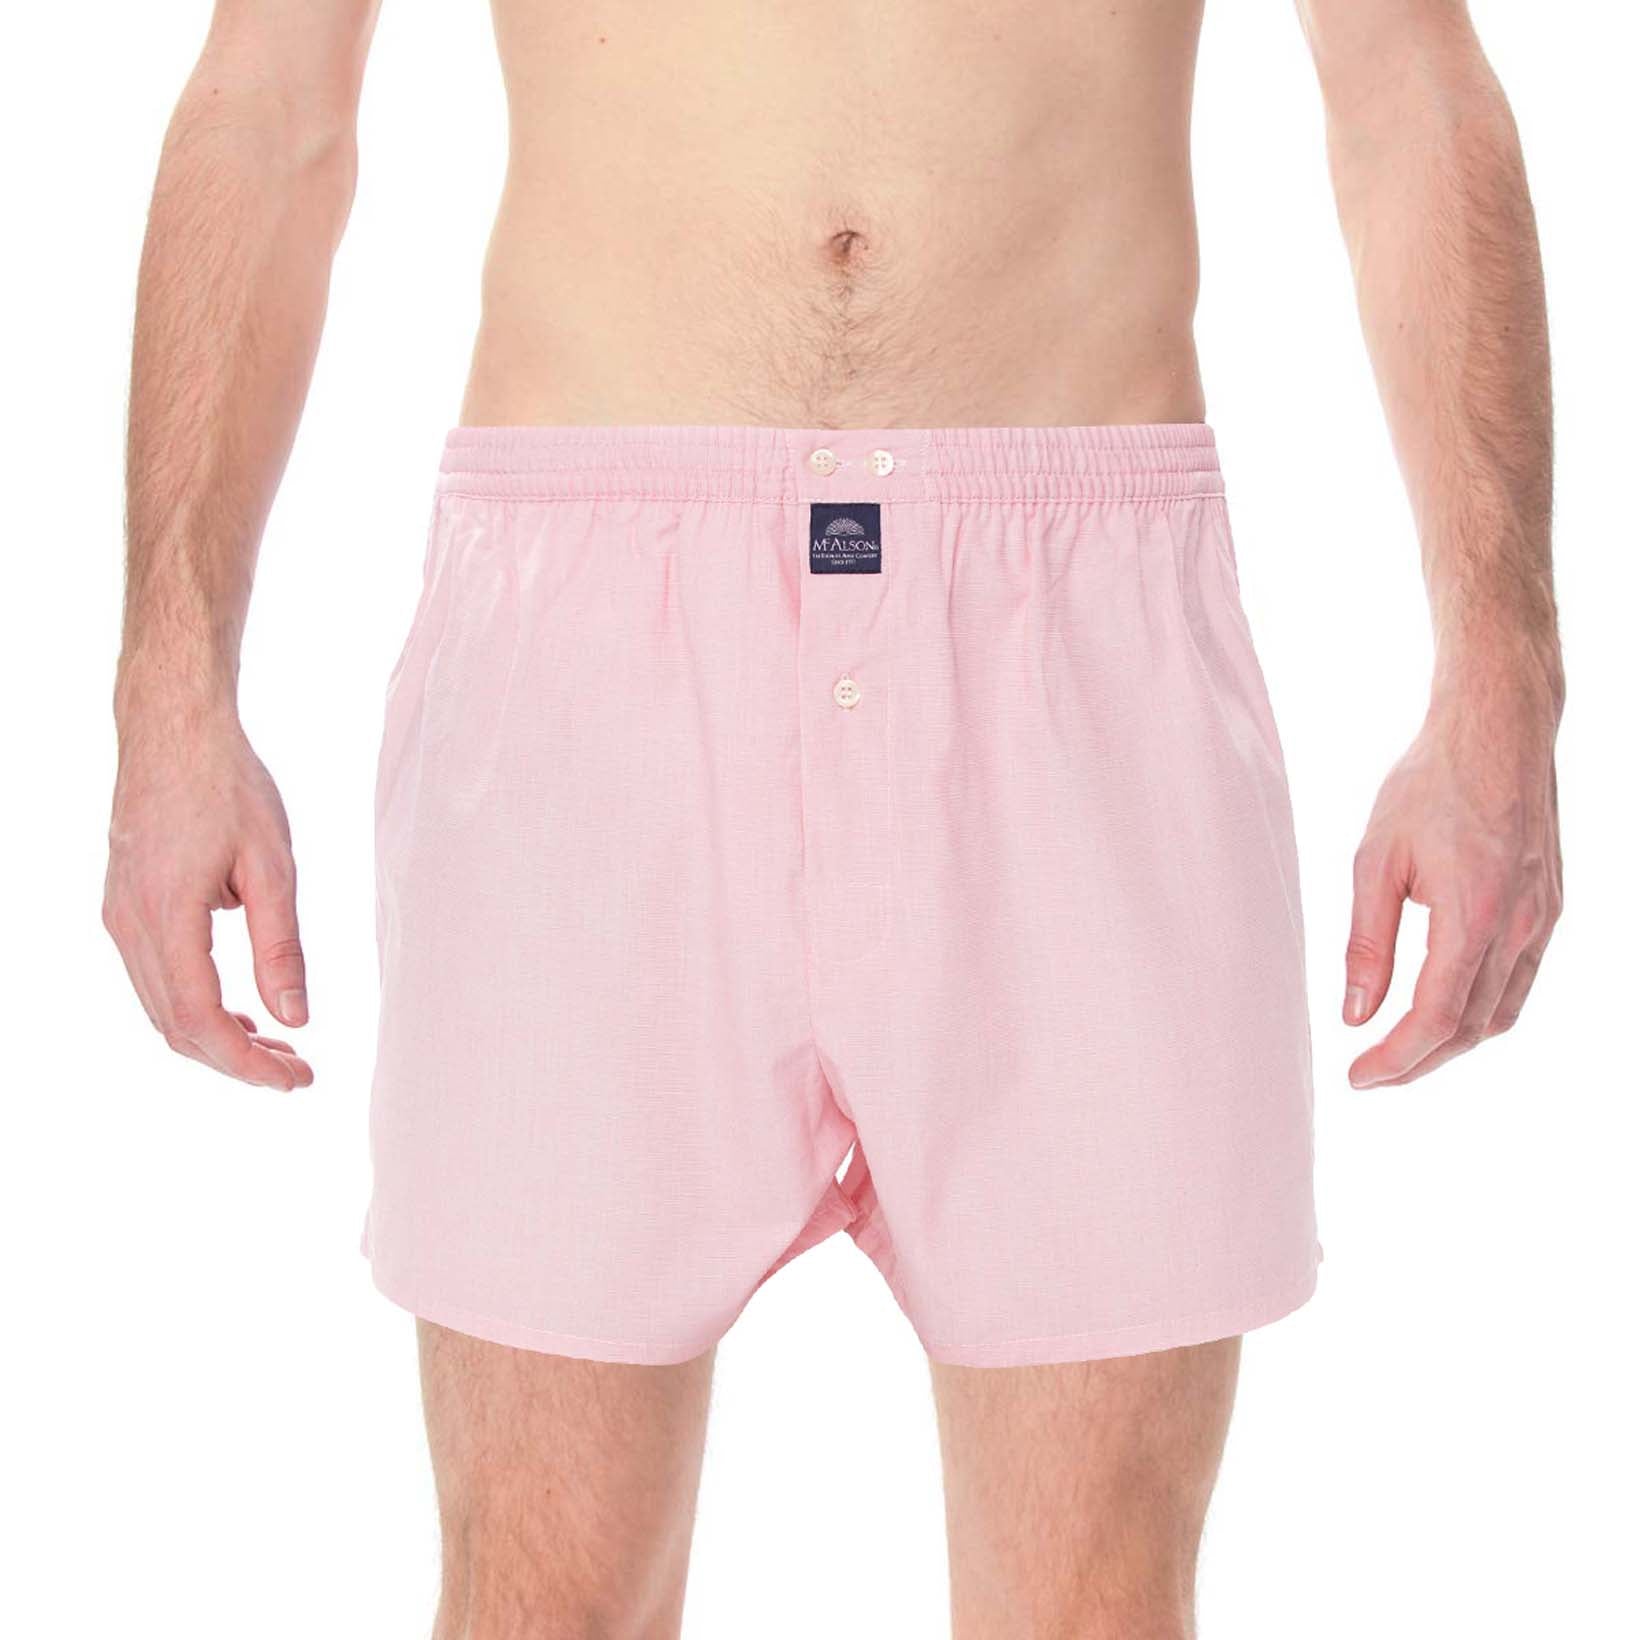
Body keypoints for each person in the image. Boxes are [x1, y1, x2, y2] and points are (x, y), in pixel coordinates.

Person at [102, 1, 1564, 1634]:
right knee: (536, 1595)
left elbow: (1410, 94)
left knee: (1095, 1606)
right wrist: (171, 685)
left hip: (1074, 630)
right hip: (593, 640)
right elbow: (269, 105)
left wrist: (1502, 675)